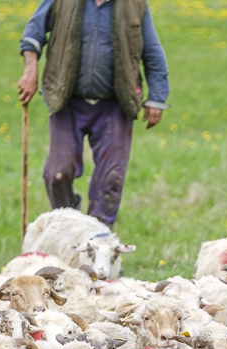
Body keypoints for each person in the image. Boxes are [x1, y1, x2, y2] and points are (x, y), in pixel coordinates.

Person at [16, 0, 169, 229]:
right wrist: (30, 69)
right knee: (57, 174)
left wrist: (157, 97)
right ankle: (69, 225)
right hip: (67, 101)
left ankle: (99, 242)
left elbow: (153, 51)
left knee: (110, 180)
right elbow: (34, 33)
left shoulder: (134, 4)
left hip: (115, 104)